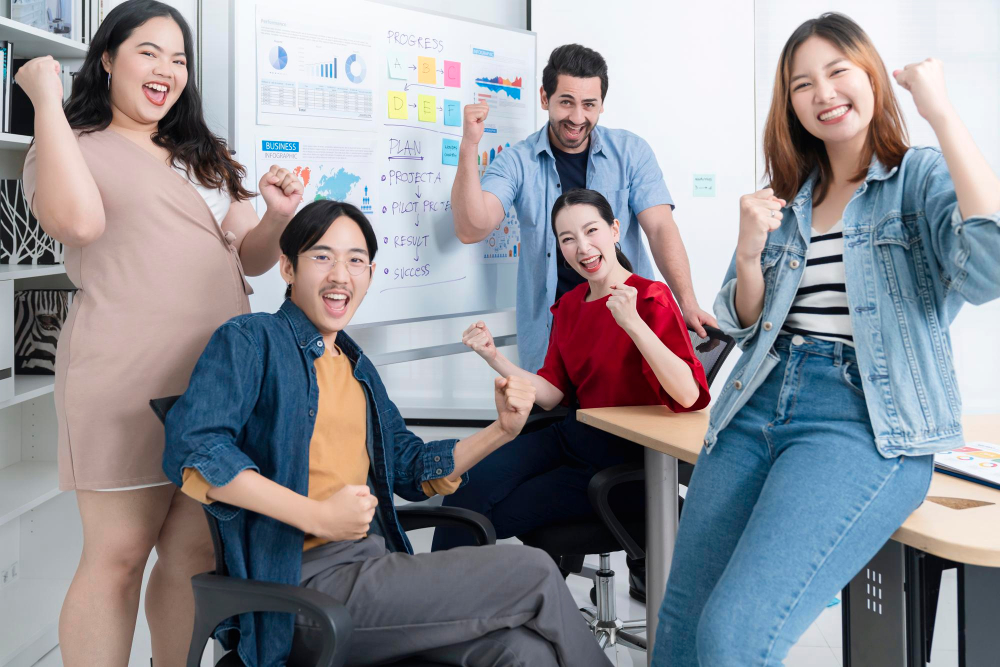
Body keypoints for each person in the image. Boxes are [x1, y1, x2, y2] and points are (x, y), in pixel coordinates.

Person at [653, 12, 1000, 666]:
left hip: (861, 421)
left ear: (871, 74)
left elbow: (988, 269)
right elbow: (742, 317)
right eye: (801, 83)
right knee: (680, 627)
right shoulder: (786, 195)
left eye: (837, 71)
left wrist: (943, 114)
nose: (822, 92)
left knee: (732, 636)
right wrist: (749, 252)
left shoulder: (916, 178)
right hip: (756, 402)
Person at [162, 200, 613, 667]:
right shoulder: (252, 340)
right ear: (287, 268)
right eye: (322, 256)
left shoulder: (356, 365)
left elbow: (411, 468)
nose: (341, 274)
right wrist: (316, 516)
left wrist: (502, 431)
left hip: (371, 569)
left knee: (523, 651)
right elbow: (197, 448)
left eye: (355, 260)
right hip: (300, 591)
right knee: (534, 570)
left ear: (370, 274)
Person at [17, 1, 303, 664]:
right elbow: (79, 223)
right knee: (118, 556)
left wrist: (278, 215)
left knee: (194, 551)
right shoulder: (70, 145)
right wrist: (43, 101)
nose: (167, 70)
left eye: (179, 59)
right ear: (108, 59)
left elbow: (248, 255)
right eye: (149, 52)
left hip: (219, 380)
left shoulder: (203, 154)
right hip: (125, 377)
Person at [433, 189, 711, 602]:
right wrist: (495, 358)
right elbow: (551, 393)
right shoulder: (570, 304)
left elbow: (688, 396)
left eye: (591, 231)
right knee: (467, 486)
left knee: (490, 514)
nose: (582, 247)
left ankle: (452, 611)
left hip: (622, 458)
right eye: (567, 239)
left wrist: (633, 323)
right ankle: (433, 604)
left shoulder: (650, 298)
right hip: (571, 436)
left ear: (615, 231)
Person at [451, 43, 716, 377]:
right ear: (545, 98)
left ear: (602, 105)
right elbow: (470, 228)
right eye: (566, 102)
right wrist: (469, 146)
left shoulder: (631, 152)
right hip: (555, 340)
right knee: (557, 425)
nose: (577, 118)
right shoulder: (517, 161)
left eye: (589, 104)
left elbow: (661, 229)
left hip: (630, 330)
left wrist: (687, 302)